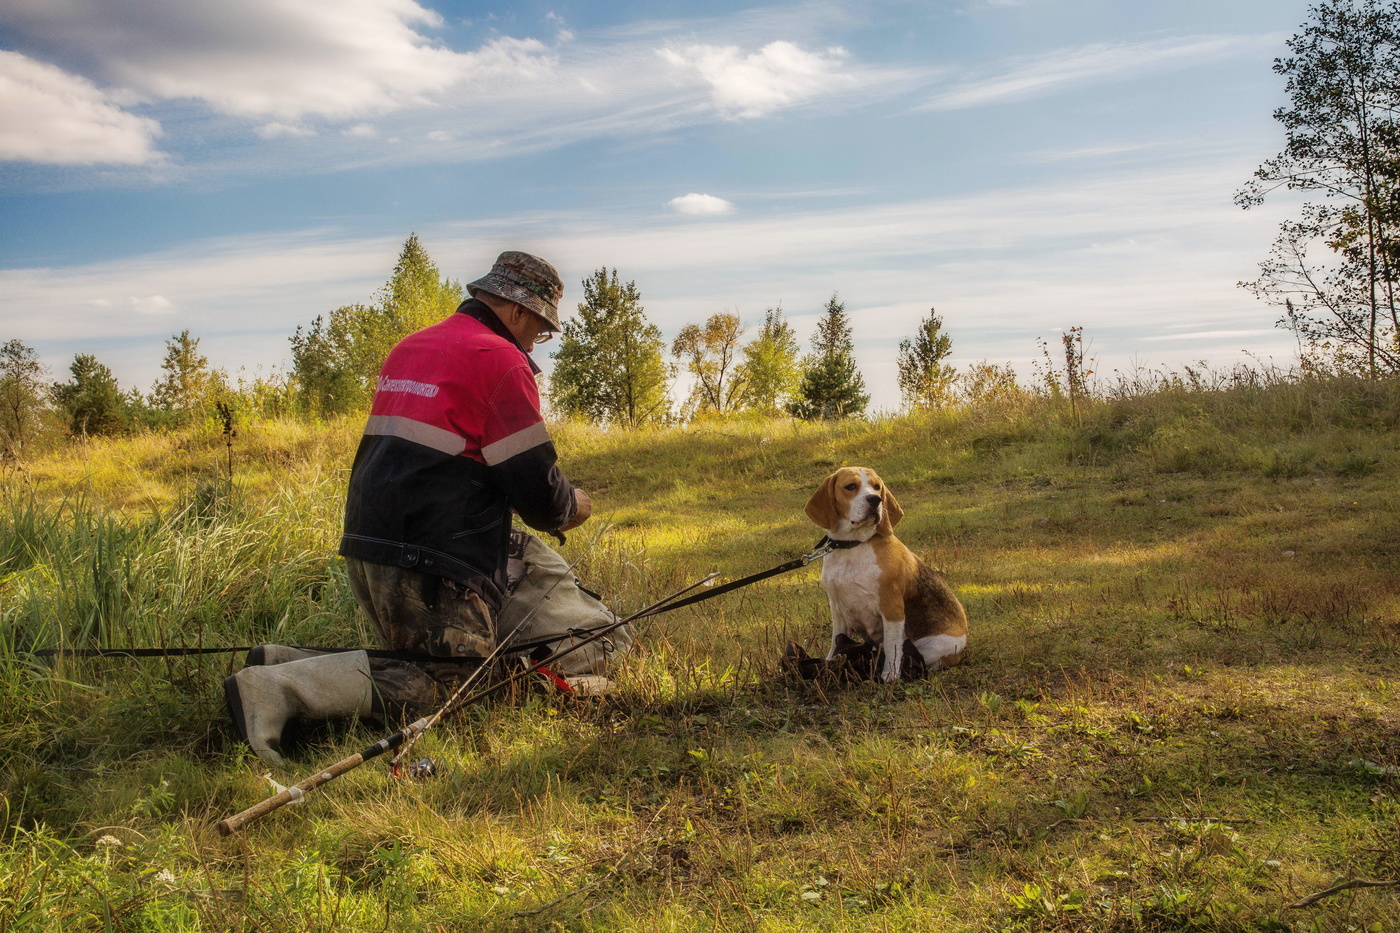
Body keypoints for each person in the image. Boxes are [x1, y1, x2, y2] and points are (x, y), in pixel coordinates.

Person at [225, 251, 623, 767]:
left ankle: (282, 661)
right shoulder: (501, 361)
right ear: (518, 312)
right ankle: (277, 689)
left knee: (426, 663)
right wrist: (576, 504)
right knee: (454, 688)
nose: (536, 343)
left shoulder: (412, 347)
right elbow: (540, 497)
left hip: (369, 542)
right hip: (435, 556)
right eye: (540, 330)